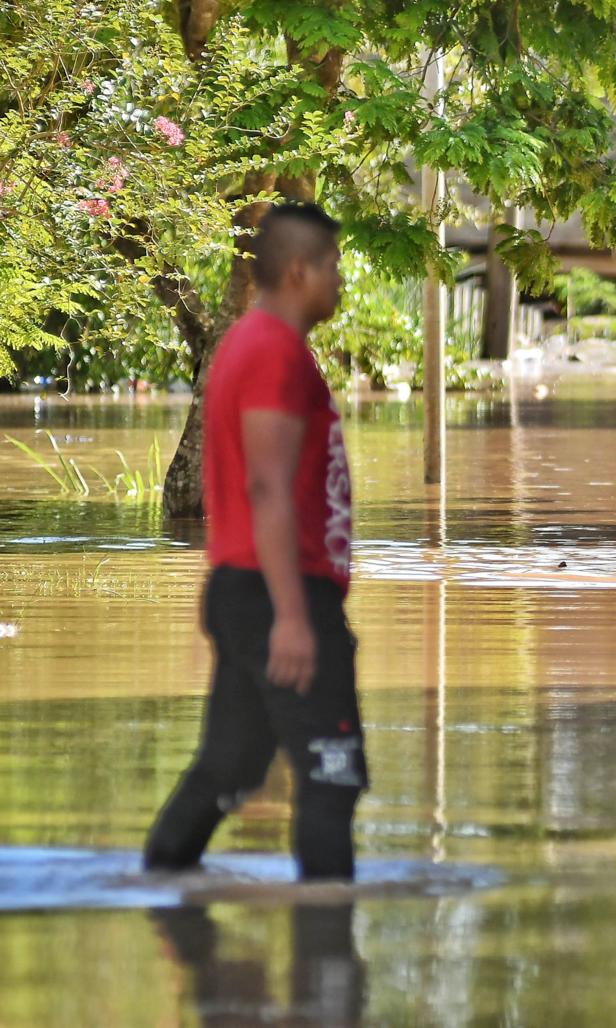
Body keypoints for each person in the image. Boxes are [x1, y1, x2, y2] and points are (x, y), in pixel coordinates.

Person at [144, 201, 367, 880]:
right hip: (282, 593)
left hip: (249, 589)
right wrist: (294, 617)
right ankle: (328, 972)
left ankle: (165, 898)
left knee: (231, 767)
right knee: (331, 774)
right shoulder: (271, 352)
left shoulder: (255, 343)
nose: (339, 281)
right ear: (299, 271)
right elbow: (266, 488)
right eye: (332, 266)